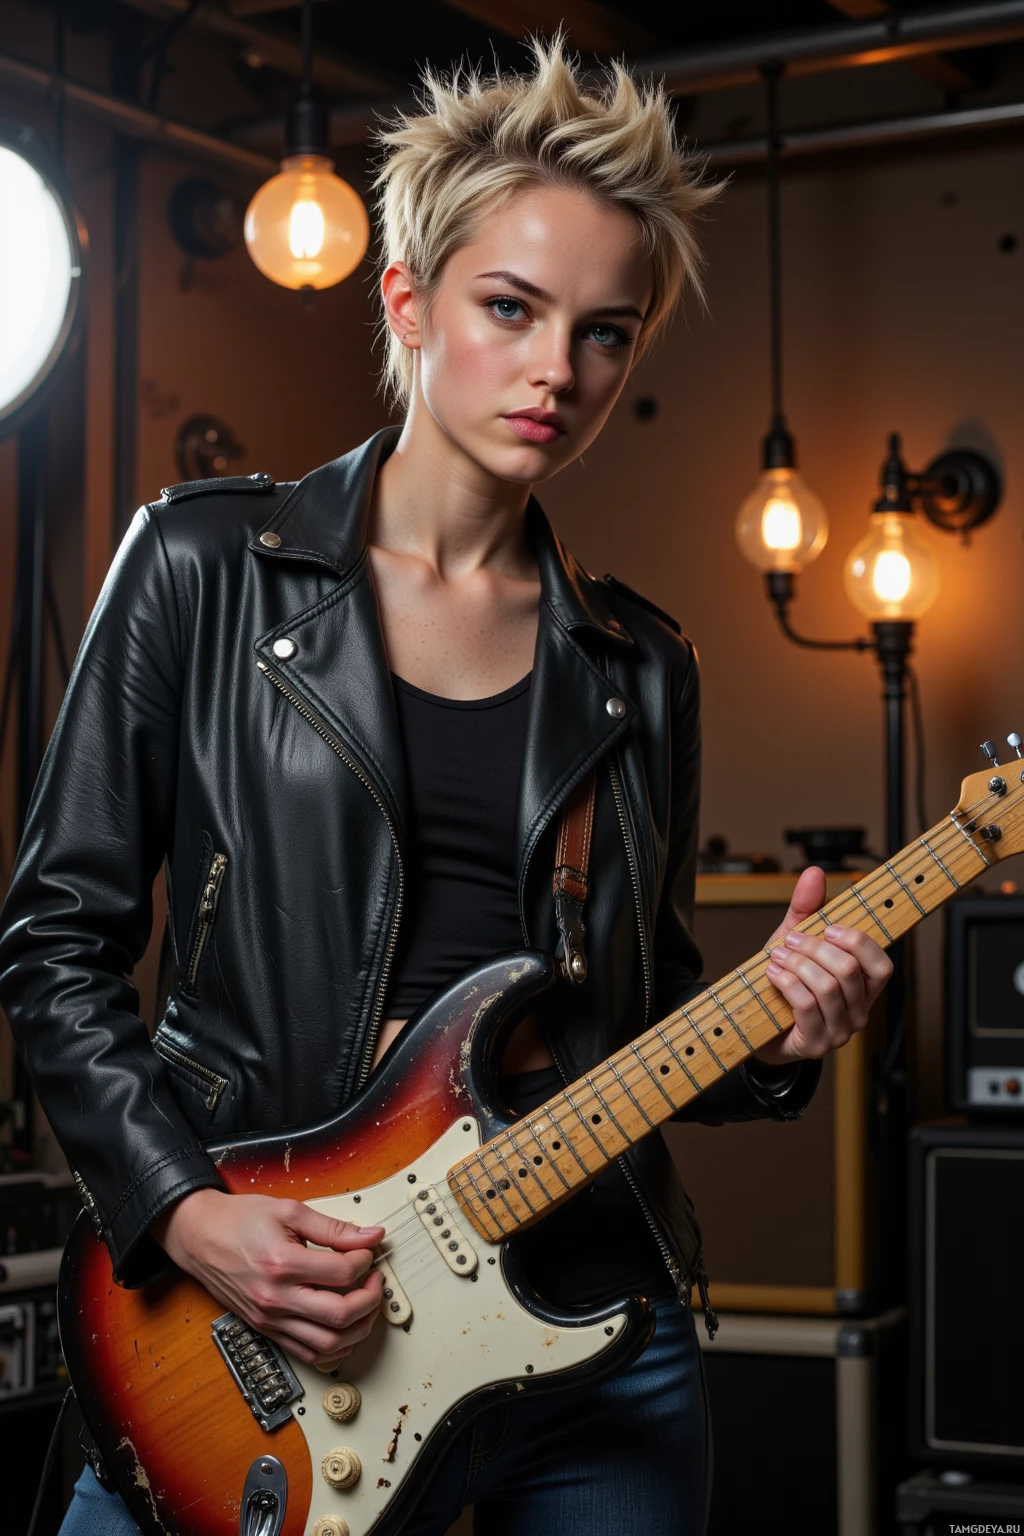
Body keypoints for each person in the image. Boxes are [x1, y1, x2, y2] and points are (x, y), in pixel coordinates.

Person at [0, 36, 892, 1536]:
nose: (560, 371)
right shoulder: (202, 570)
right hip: (276, 1317)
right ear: (408, 302)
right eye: (511, 309)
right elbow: (53, 946)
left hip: (598, 1335)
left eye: (605, 335)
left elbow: (643, 1016)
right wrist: (186, 1209)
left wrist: (788, 1034)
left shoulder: (643, 667)